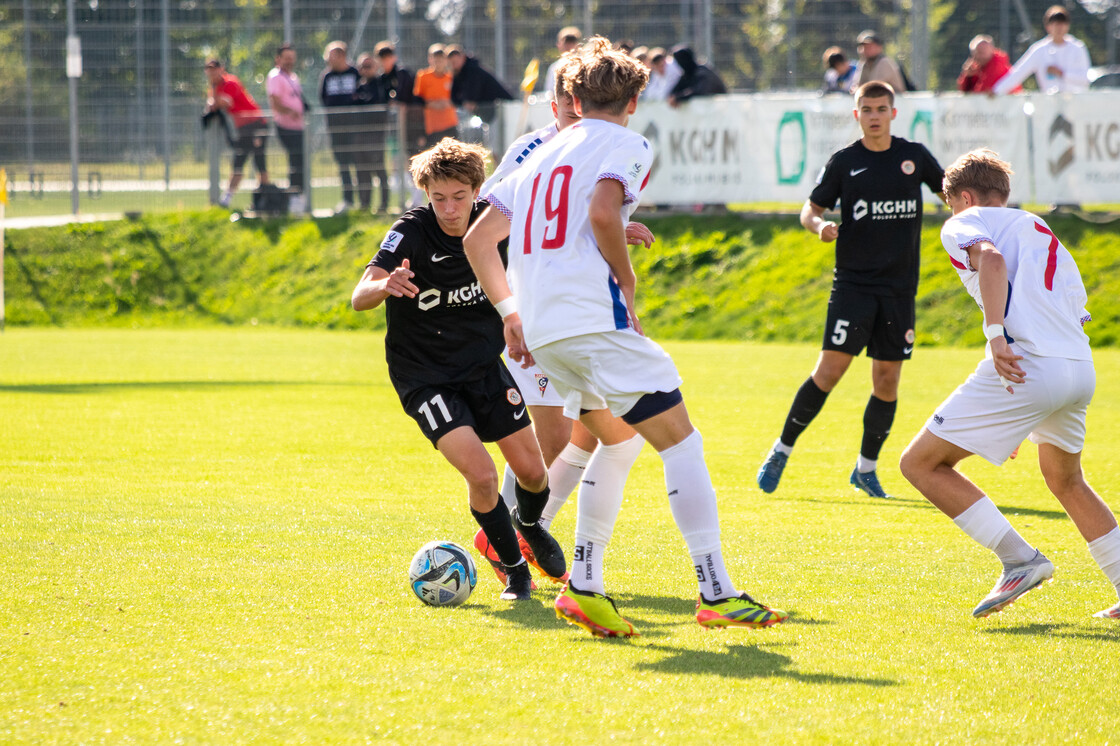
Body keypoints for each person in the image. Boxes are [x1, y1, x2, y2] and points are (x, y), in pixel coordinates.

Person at [464, 36, 788, 637]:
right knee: (681, 442)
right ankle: (716, 591)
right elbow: (604, 213)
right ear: (636, 99)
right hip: (592, 321)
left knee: (615, 438)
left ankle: (585, 587)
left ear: (576, 98)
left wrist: (511, 312)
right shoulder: (628, 143)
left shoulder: (540, 152)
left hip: (542, 329)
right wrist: (626, 277)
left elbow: (477, 240)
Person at [899, 149, 1119, 621]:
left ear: (963, 196)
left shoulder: (964, 221)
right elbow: (1072, 311)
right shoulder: (1040, 230)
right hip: (1079, 367)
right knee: (1066, 479)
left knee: (920, 463)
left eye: (951, 203)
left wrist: (996, 336)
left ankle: (1020, 559)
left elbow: (991, 262)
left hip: (1028, 365)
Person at [351, 138, 567, 601]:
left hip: (484, 368)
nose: (449, 209)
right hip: (425, 377)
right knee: (484, 476)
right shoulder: (411, 232)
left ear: (477, 190)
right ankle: (515, 573)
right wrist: (386, 285)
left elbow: (554, 235)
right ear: (425, 193)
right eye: (438, 198)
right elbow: (358, 296)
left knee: (532, 472)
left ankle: (527, 525)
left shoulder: (495, 225)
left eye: (459, 197)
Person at [474, 52, 654, 587]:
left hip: (575, 308)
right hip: (536, 311)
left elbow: (570, 220)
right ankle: (527, 539)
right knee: (562, 441)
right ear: (560, 104)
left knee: (591, 435)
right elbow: (496, 222)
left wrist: (613, 233)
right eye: (574, 111)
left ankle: (516, 531)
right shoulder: (536, 149)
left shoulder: (588, 146)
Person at [757, 81, 944, 499]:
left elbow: (951, 193)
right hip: (854, 285)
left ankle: (865, 469)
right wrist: (819, 226)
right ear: (856, 114)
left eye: (881, 109)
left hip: (899, 289)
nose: (874, 116)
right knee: (830, 371)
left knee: (887, 379)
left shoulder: (913, 157)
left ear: (894, 114)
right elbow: (811, 207)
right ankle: (781, 449)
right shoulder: (845, 163)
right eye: (867, 109)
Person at [204, 58, 270, 208]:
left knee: (260, 161)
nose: (212, 73)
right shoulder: (214, 87)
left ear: (222, 69)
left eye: (215, 69)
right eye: (209, 70)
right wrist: (213, 99)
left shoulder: (230, 82)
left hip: (256, 124)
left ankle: (265, 199)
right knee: (239, 161)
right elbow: (211, 105)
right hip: (243, 128)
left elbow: (224, 103)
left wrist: (213, 101)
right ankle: (226, 199)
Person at [993, 5, 1090, 95]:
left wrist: (1062, 74)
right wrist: (996, 91)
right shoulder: (1039, 50)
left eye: (1062, 23)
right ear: (1047, 26)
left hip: (1075, 104)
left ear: (1068, 25)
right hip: (1049, 104)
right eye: (1055, 23)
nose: (1059, 27)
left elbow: (1084, 79)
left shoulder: (1078, 48)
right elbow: (1019, 72)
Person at [319, 41, 363, 212]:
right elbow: (323, 98)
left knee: (359, 163)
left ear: (342, 56)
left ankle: (364, 201)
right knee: (342, 163)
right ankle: (348, 200)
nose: (328, 60)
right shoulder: (326, 76)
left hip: (355, 128)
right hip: (335, 129)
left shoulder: (355, 73)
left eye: (331, 57)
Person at [266, 44, 306, 208]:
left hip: (298, 127)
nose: (289, 61)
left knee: (299, 160)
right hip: (286, 126)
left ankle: (299, 194)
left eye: (292, 58)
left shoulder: (293, 76)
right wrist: (292, 112)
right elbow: (275, 103)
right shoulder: (276, 76)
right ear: (278, 59)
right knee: (295, 160)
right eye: (286, 58)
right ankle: (295, 196)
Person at [355, 53, 391, 213]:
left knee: (379, 170)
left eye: (369, 66)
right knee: (362, 172)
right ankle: (364, 206)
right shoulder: (358, 86)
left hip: (376, 135)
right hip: (359, 136)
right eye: (362, 66)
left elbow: (377, 106)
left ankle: (384, 205)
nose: (365, 70)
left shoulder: (380, 84)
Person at [446, 45, 514, 126]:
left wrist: (466, 101)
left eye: (456, 62)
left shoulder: (473, 70)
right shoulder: (458, 72)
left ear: (463, 58)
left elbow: (473, 95)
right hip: (486, 109)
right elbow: (454, 97)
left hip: (500, 107)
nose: (454, 65)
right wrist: (464, 102)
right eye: (452, 63)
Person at [413, 44, 459, 149]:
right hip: (432, 126)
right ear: (430, 59)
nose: (439, 62)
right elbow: (418, 100)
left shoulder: (451, 77)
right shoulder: (423, 76)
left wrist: (448, 102)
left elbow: (458, 98)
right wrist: (431, 104)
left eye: (441, 59)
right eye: (436, 58)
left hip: (450, 123)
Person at [544, 26, 581, 99]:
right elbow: (550, 92)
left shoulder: (584, 64)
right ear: (559, 44)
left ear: (578, 45)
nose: (569, 46)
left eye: (572, 42)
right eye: (566, 42)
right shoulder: (554, 67)